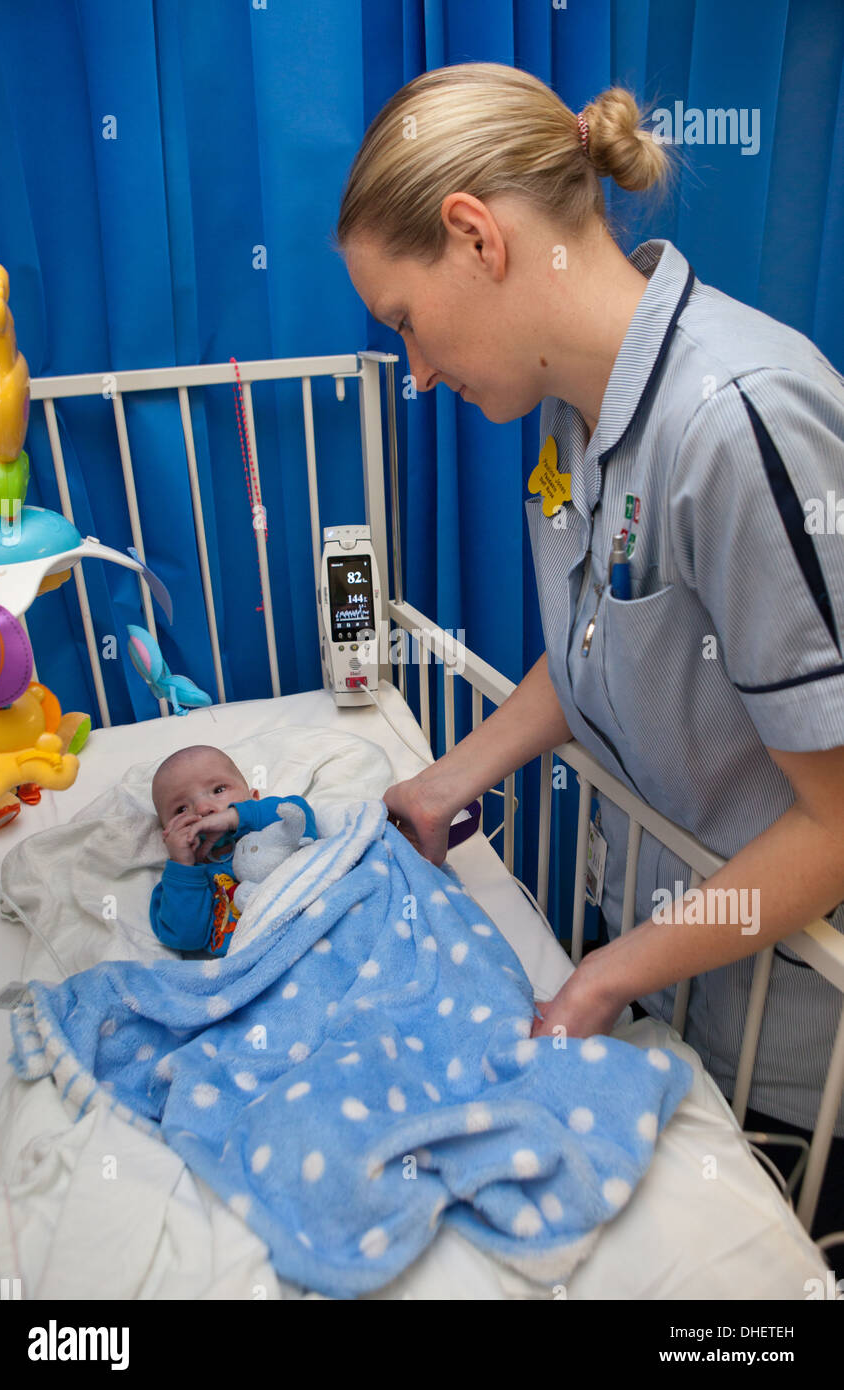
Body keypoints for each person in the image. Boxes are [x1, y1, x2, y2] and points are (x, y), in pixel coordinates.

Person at [334, 61, 844, 1186]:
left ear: (476, 235)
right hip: (676, 974)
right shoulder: (577, 415)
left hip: (792, 1040)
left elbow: (836, 822)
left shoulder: (733, 421)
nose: (413, 370)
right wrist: (443, 780)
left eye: (406, 324)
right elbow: (597, 653)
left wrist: (606, 977)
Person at [150, 745, 317, 956]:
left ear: (253, 798)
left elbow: (300, 817)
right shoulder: (179, 882)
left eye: (218, 790)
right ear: (166, 832)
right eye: (181, 809)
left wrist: (236, 817)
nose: (203, 809)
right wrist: (183, 866)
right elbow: (186, 938)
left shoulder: (266, 824)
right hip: (258, 962)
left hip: (312, 928)